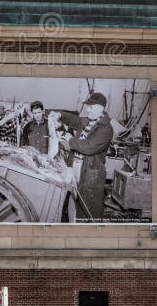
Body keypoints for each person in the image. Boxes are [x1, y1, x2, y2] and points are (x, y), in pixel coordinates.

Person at [51, 92, 114, 221]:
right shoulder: (87, 121)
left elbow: (89, 147)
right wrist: (60, 114)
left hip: (90, 173)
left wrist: (70, 141)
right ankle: (72, 224)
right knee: (72, 201)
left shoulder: (106, 129)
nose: (87, 109)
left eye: (90, 107)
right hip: (74, 166)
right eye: (87, 106)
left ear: (100, 108)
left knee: (87, 208)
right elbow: (74, 119)